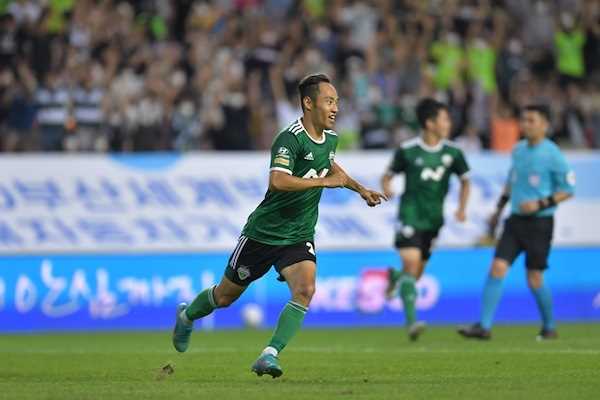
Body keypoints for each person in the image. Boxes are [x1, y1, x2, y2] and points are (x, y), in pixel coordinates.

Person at [171, 73, 387, 378]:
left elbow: (329, 165)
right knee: (225, 297)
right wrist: (325, 182)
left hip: (298, 234)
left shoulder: (331, 139)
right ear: (308, 103)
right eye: (329, 101)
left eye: (337, 102)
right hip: (263, 233)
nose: (335, 108)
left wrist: (360, 189)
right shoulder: (289, 138)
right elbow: (278, 181)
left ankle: (269, 354)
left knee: (305, 289)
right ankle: (187, 316)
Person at [458, 105, 575, 340]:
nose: (525, 125)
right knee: (497, 267)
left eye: (531, 120)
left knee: (534, 278)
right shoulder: (519, 150)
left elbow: (568, 190)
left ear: (545, 125)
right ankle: (484, 326)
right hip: (515, 221)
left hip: (540, 223)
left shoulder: (553, 154)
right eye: (524, 120)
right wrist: (498, 210)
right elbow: (511, 182)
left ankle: (549, 327)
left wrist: (540, 203)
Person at [382, 98, 471, 340]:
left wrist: (462, 208)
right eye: (445, 119)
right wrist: (387, 187)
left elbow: (465, 181)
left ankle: (395, 277)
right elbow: (387, 175)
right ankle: (412, 323)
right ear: (430, 123)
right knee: (412, 266)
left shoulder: (453, 152)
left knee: (415, 275)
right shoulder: (408, 150)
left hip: (433, 221)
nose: (448, 124)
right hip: (410, 216)